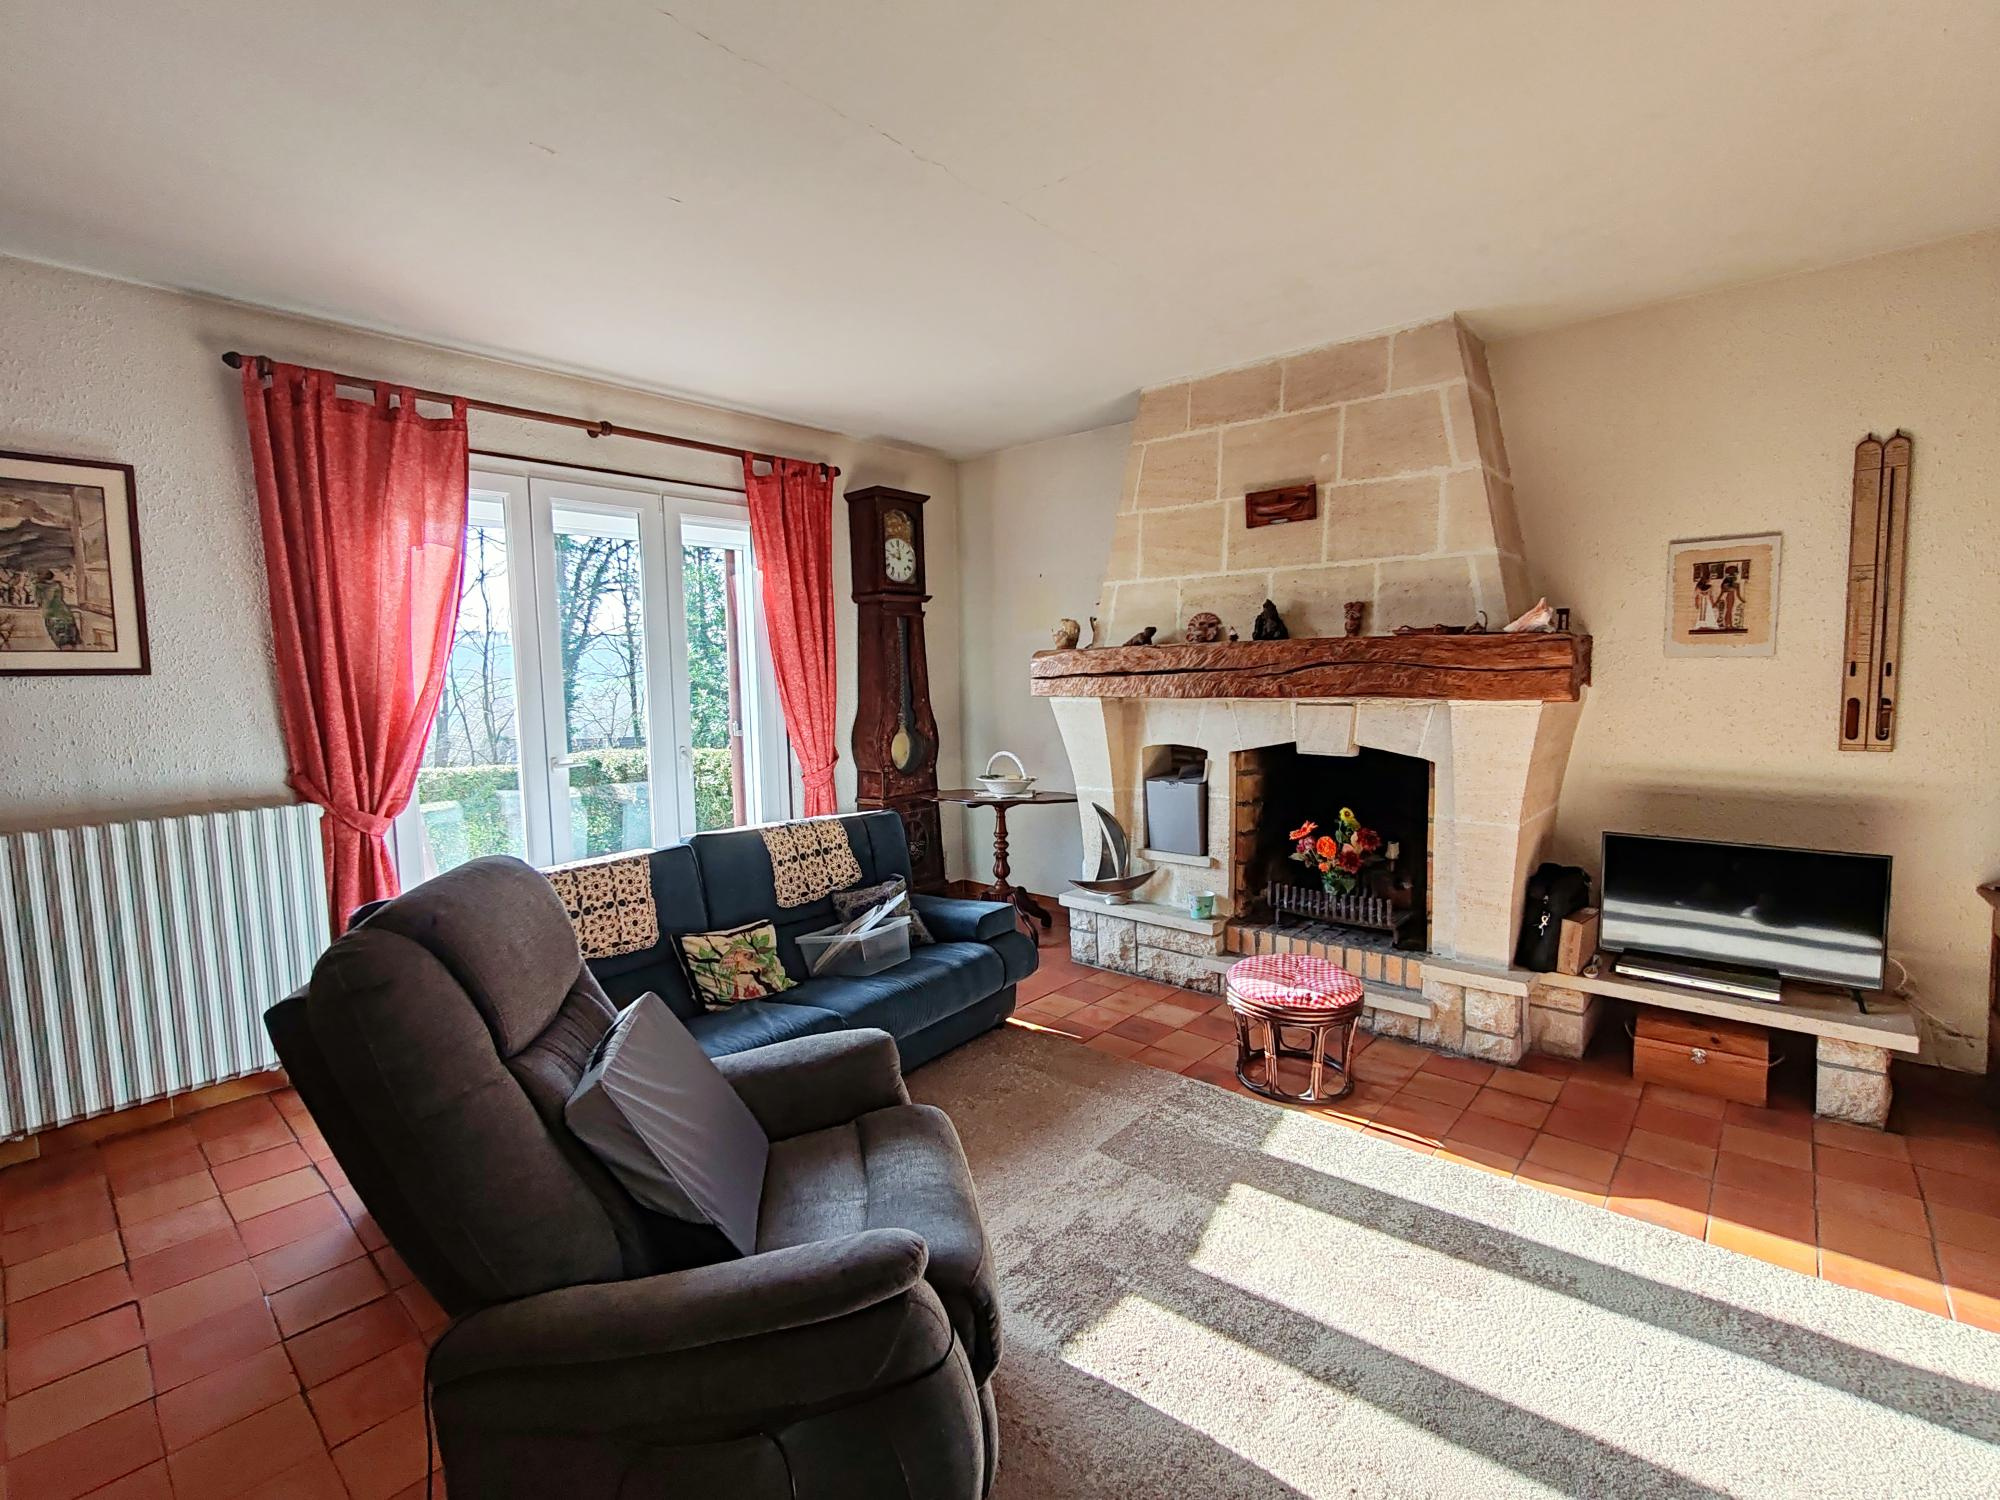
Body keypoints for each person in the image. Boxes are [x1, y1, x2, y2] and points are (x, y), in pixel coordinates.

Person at [37, 569, 80, 649]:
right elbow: (59, 597)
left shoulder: (40, 587)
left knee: (59, 637)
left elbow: (41, 600)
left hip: (51, 614)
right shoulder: (57, 585)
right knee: (69, 636)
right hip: (64, 612)